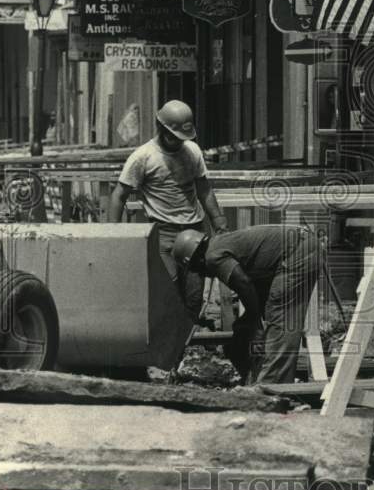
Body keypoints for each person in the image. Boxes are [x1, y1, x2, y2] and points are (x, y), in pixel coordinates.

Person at [108, 100, 228, 320]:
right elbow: (119, 195)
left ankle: (186, 342)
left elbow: (203, 188)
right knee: (167, 293)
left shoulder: (192, 151)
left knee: (193, 294)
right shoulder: (142, 157)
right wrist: (113, 234)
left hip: (194, 232)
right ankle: (167, 346)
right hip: (163, 234)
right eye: (173, 137)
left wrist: (218, 220)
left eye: (182, 138)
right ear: (161, 127)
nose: (177, 143)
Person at [172, 224, 320, 384]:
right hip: (300, 247)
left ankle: (271, 388)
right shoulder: (220, 244)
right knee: (251, 329)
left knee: (281, 320)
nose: (201, 274)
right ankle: (263, 378)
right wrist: (252, 318)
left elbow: (243, 283)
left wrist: (254, 317)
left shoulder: (212, 257)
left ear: (195, 258)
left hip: (298, 251)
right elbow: (256, 283)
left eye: (195, 269)